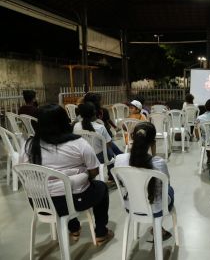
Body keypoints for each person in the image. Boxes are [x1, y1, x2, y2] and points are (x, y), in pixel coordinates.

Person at [19, 104, 113, 245]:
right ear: (65, 121)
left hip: (42, 205)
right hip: (75, 201)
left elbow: (24, 170)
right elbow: (94, 170)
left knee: (64, 191)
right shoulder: (78, 143)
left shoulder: (29, 145)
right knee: (101, 187)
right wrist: (79, 178)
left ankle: (74, 228)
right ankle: (100, 232)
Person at [114, 122, 174, 240]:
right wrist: (154, 153)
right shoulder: (159, 163)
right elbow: (165, 186)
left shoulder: (119, 159)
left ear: (132, 137)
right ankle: (158, 228)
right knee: (169, 189)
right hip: (157, 209)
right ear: (153, 142)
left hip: (131, 206)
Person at [73, 102, 121, 183]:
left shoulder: (76, 126)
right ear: (94, 113)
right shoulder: (100, 127)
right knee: (110, 151)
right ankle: (112, 176)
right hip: (99, 157)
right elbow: (108, 144)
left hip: (82, 157)